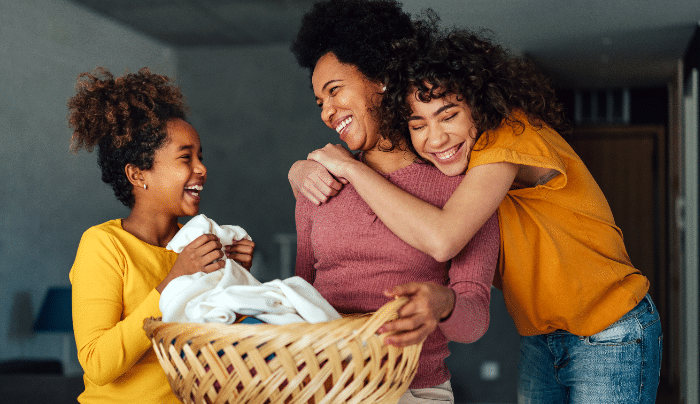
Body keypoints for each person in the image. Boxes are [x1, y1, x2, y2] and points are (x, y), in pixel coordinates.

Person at [295, 26, 663, 404]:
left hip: (609, 325)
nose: (434, 139)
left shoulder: (506, 138)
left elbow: (444, 238)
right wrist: (304, 172)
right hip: (544, 334)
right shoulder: (459, 162)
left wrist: (352, 170)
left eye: (448, 115)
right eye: (417, 124)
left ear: (480, 104)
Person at [290, 1, 500, 403]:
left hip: (414, 388)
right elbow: (301, 298)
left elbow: (474, 318)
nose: (327, 112)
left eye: (334, 91)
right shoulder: (318, 182)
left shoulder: (463, 189)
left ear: (382, 78)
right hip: (325, 383)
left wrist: (444, 303)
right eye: (320, 102)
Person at [67, 67, 255, 403]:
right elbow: (97, 364)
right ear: (138, 174)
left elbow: (206, 346)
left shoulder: (195, 246)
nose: (201, 169)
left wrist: (235, 281)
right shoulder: (104, 245)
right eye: (186, 158)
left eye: (200, 157)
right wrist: (173, 280)